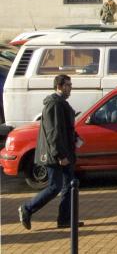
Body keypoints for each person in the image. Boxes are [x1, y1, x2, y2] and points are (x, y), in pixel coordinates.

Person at [18, 74, 80, 231]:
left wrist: (76, 137)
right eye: (68, 85)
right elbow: (53, 132)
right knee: (55, 187)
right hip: (56, 155)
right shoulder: (54, 104)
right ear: (59, 86)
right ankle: (27, 208)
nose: (70, 88)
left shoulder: (61, 103)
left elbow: (65, 128)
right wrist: (60, 155)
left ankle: (65, 219)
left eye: (70, 84)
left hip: (65, 152)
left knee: (69, 185)